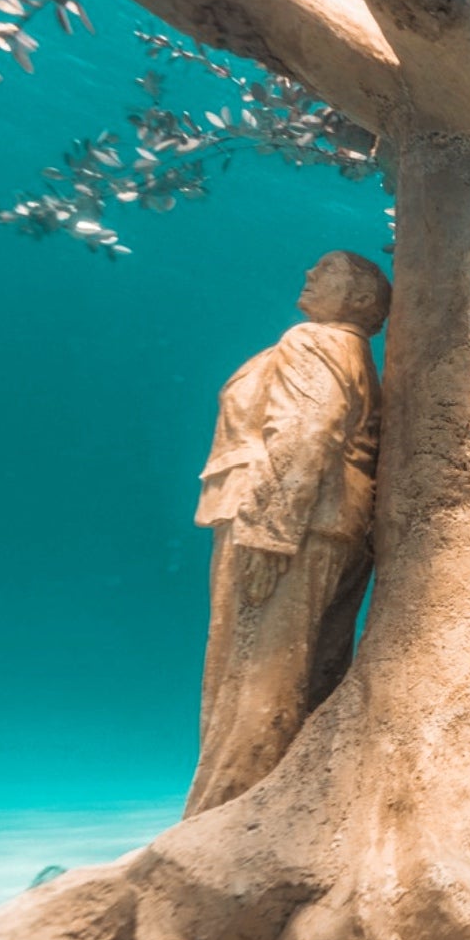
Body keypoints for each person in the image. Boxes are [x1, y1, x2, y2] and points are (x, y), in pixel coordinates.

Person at [184, 251, 392, 817]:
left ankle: (222, 824)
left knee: (251, 681)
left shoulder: (315, 341)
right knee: (307, 676)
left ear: (359, 299)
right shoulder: (355, 354)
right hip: (334, 525)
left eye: (325, 270)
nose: (308, 275)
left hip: (288, 525)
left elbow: (305, 429)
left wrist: (270, 532)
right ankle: (299, 815)